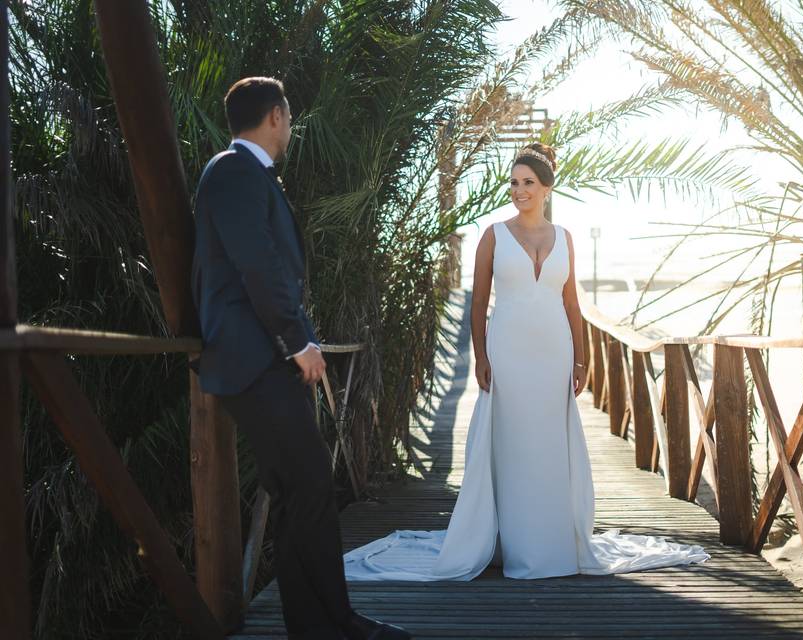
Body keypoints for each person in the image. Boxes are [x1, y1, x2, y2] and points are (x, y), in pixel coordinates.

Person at [342, 143, 709, 581]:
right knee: (511, 442)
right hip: (508, 349)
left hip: (553, 350)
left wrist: (580, 358)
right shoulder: (494, 235)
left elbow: (572, 303)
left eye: (528, 183)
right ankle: (508, 541)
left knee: (548, 442)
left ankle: (548, 541)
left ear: (547, 188)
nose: (519, 190)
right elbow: (478, 303)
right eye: (514, 183)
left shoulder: (565, 237)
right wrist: (480, 355)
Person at [191, 76, 410, 640]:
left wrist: (295, 342)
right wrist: (299, 342)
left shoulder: (245, 175)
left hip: (266, 359)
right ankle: (331, 625)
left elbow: (270, 271)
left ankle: (324, 624)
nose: (290, 127)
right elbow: (258, 267)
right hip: (254, 359)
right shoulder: (233, 171)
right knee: (309, 485)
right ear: (274, 117)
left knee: (301, 491)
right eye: (288, 117)